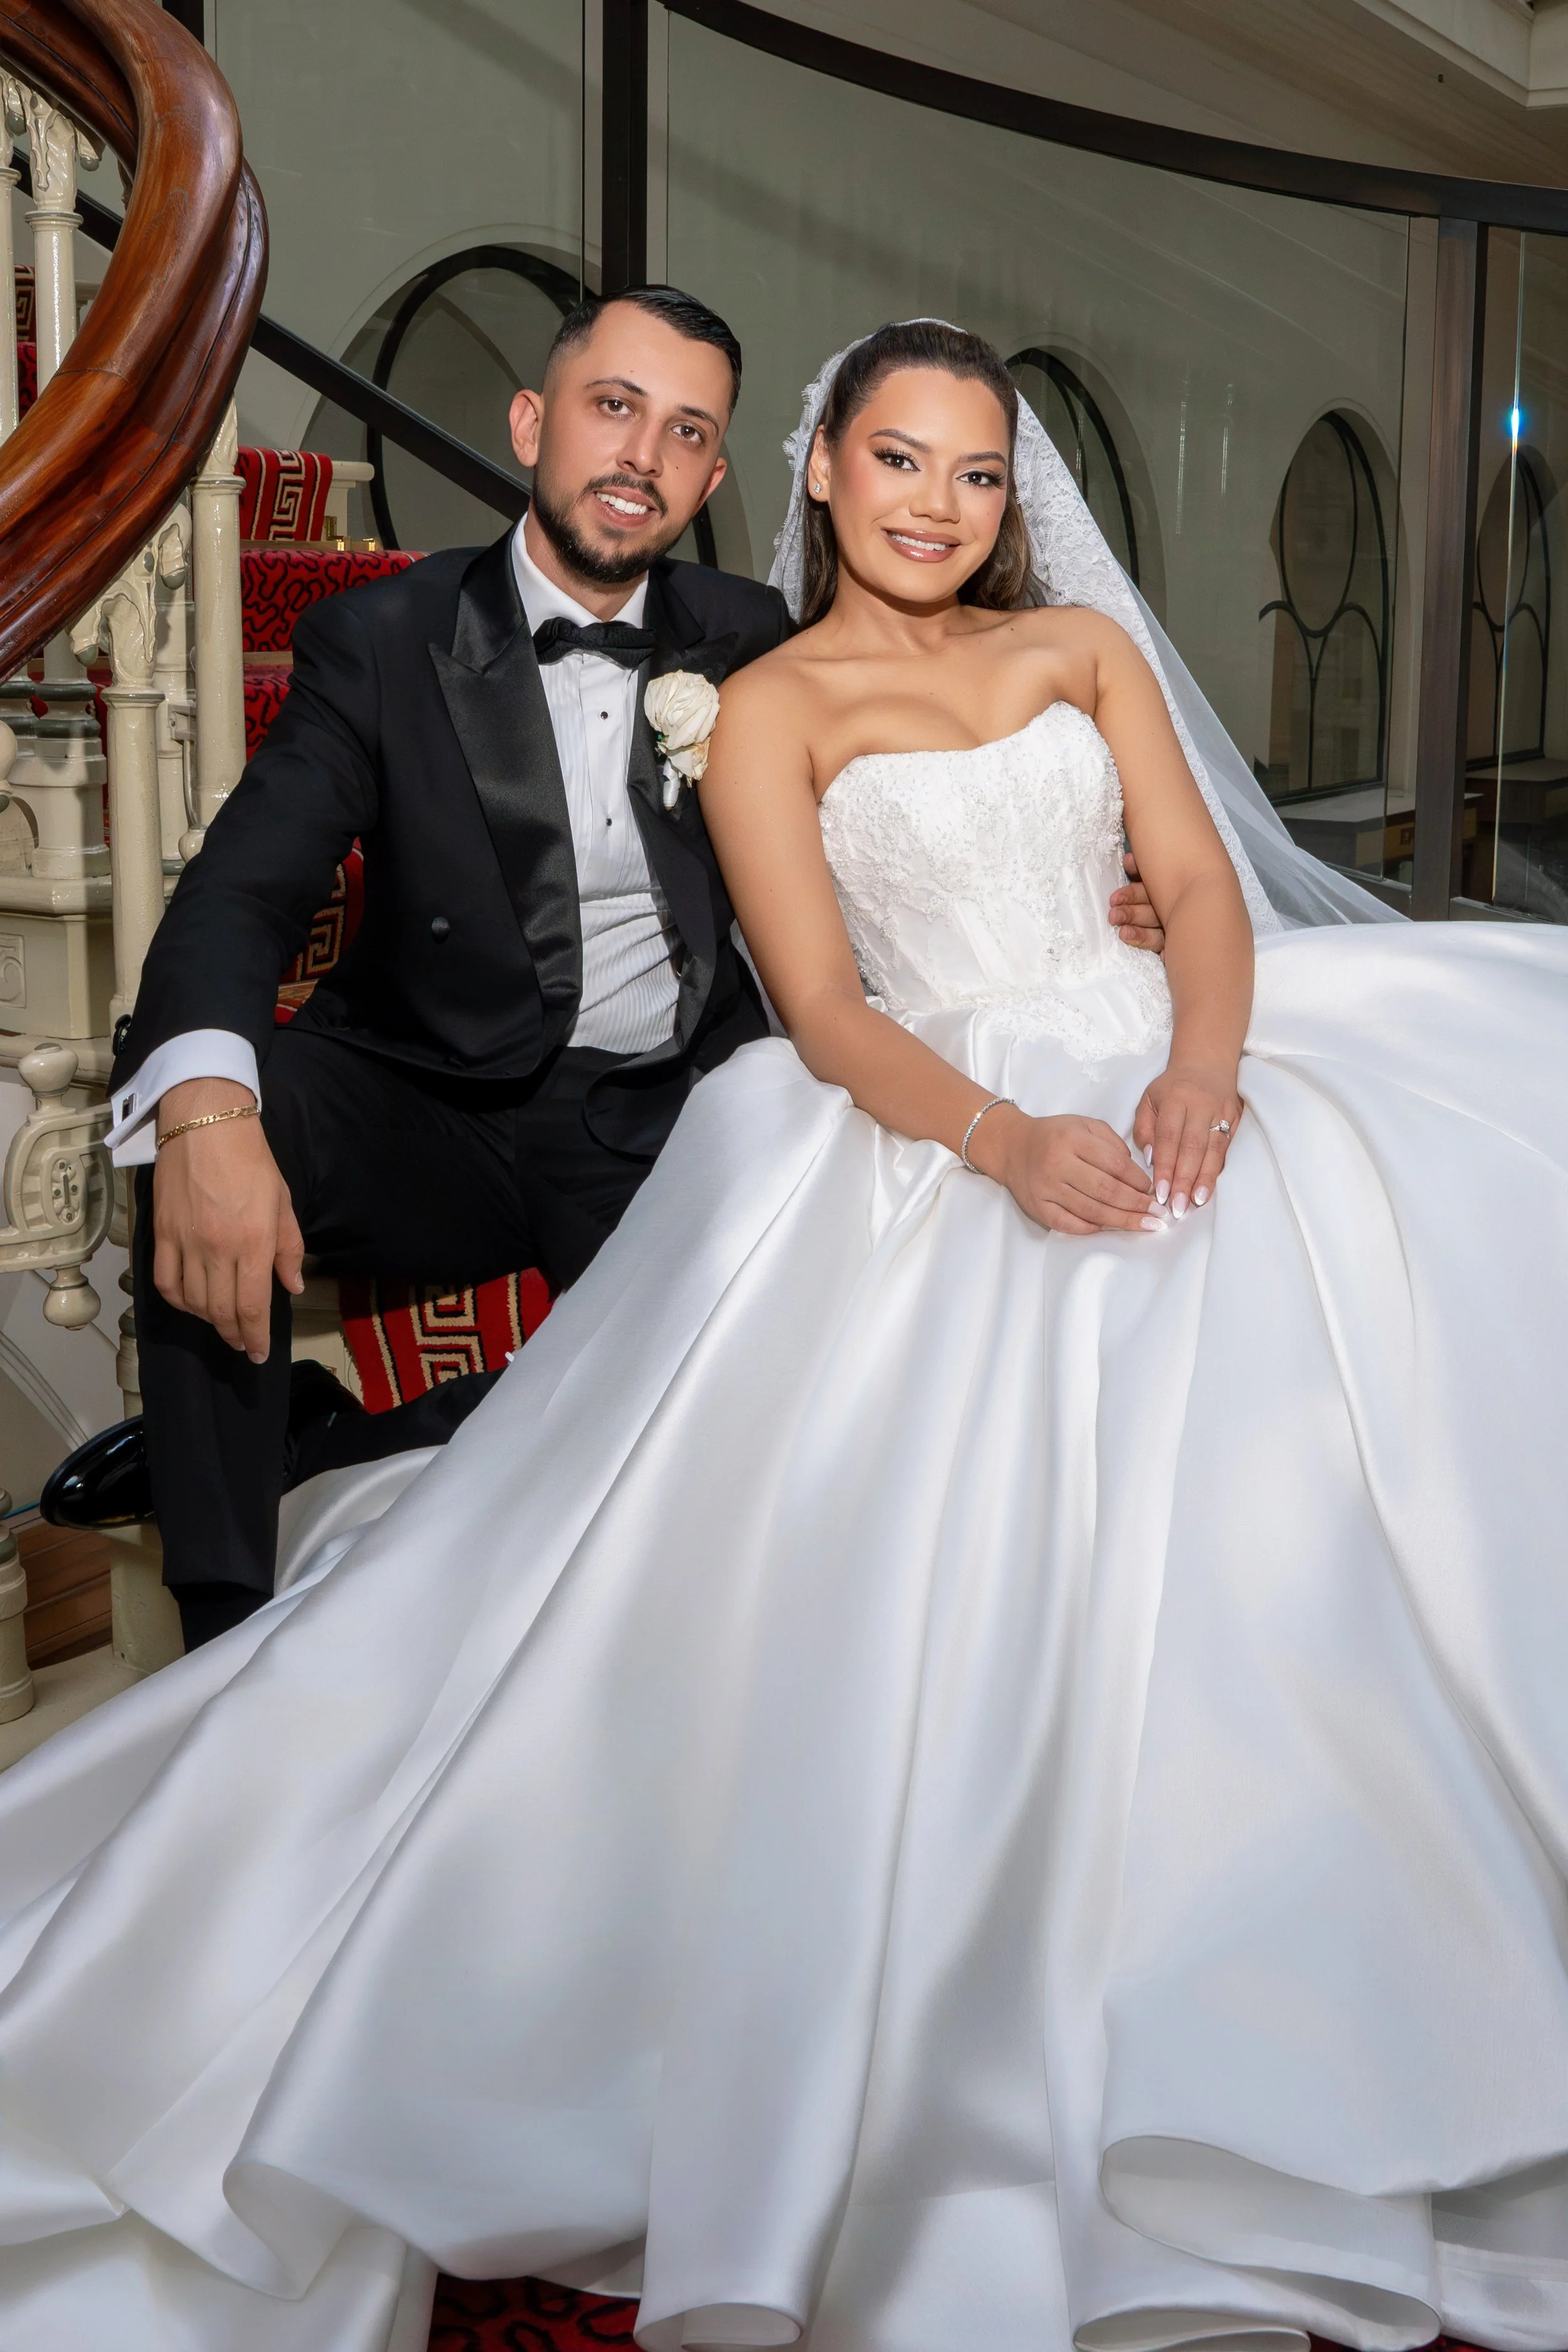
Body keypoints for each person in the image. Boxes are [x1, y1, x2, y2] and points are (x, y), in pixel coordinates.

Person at [3, 319, 1564, 2352]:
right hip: (887, 1109)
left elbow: (1190, 877)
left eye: (979, 473)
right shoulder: (746, 699)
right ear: (822, 472)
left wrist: (1197, 1061)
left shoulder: (1066, 655)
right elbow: (829, 1012)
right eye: (899, 461)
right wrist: (1010, 1139)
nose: (939, 503)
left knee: (1390, 1322)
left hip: (1110, 1069)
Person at [45, 284, 1163, 1651]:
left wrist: (1108, 890)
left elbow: (924, 776)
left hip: (666, 1103)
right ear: (531, 423)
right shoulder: (385, 639)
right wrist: (209, 1108)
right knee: (204, 1110)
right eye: (612, 408)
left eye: (687, 431)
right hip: (430, 1094)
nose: (642, 456)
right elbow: (240, 889)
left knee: (749, 1412)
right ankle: (219, 1614)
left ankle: (371, 1435)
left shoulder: (755, 636)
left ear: (715, 472)